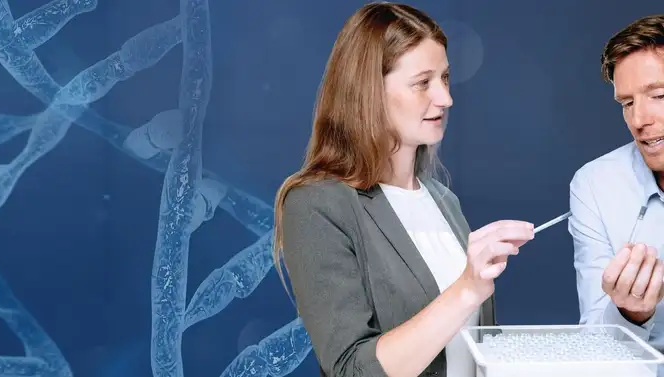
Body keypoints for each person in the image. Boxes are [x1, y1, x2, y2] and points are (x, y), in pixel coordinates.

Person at [271, 3, 535, 377]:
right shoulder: (316, 204)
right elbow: (351, 369)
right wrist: (466, 290)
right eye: (422, 82)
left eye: (445, 78)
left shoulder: (444, 202)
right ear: (368, 91)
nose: (445, 98)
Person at [569, 14, 664, 355]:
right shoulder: (596, 184)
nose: (639, 120)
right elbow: (596, 343)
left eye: (660, 96)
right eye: (627, 104)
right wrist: (630, 314)